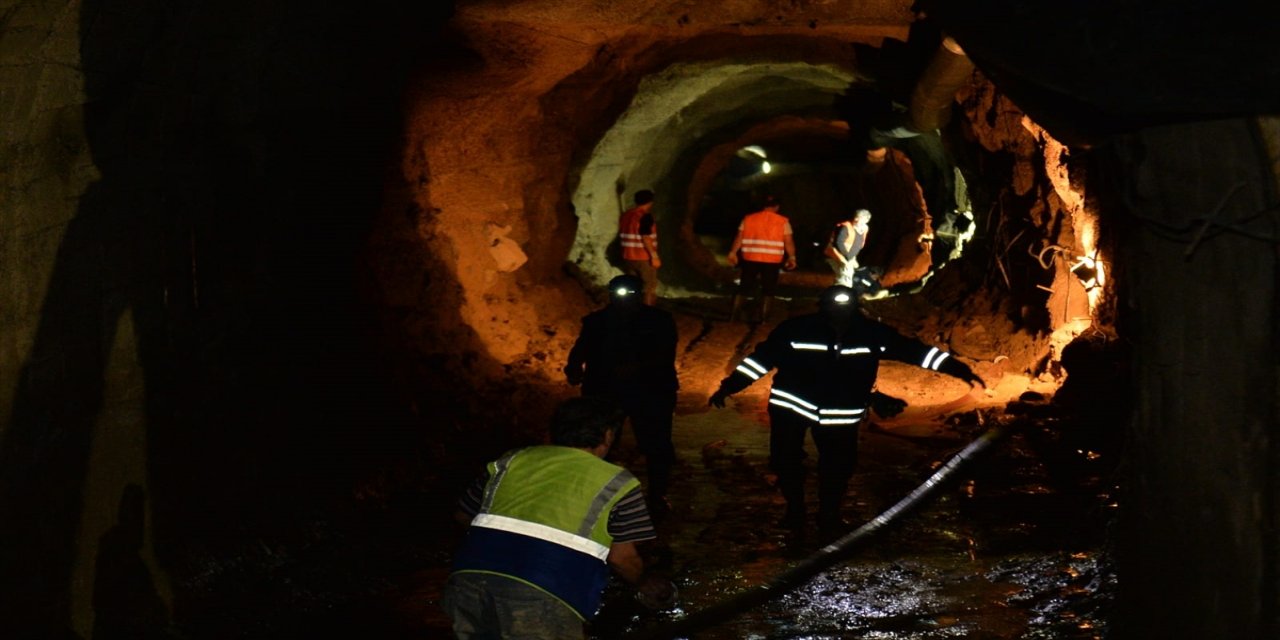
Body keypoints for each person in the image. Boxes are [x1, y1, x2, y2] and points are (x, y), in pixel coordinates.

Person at [708, 285, 984, 532]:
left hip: (838, 414)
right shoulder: (797, 330)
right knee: (786, 461)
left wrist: (957, 369)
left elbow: (914, 351)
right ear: (823, 308)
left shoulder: (871, 333)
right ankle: (796, 511)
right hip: (792, 408)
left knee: (837, 466)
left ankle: (829, 516)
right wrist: (730, 386)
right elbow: (759, 361)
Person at [442, 396, 677, 640]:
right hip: (544, 593)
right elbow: (621, 558)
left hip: (467, 582)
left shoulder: (509, 460)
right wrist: (645, 583)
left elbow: (462, 515)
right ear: (608, 435)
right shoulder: (619, 482)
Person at [565, 274, 679, 514]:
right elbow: (581, 349)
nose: (624, 300)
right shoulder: (597, 322)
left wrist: (636, 368)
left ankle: (658, 494)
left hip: (649, 390)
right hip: (608, 390)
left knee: (655, 444)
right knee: (598, 443)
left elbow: (663, 355)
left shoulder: (659, 322)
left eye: (629, 294)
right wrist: (573, 368)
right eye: (619, 294)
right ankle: (598, 492)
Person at [727, 196, 797, 322]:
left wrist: (733, 252)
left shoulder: (748, 219)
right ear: (777, 207)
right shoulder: (782, 221)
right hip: (772, 260)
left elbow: (739, 237)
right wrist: (791, 257)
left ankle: (734, 316)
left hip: (750, 257)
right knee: (768, 289)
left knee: (744, 286)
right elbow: (789, 241)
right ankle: (764, 319)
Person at [618, 189, 661, 306]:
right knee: (649, 287)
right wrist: (654, 256)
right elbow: (645, 237)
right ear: (650, 202)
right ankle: (646, 315)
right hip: (642, 257)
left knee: (633, 287)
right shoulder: (645, 217)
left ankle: (630, 311)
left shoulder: (626, 215)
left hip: (627, 256)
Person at [824, 209, 872, 287]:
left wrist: (853, 258)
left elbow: (858, 244)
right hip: (836, 254)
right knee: (846, 274)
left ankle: (839, 292)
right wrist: (847, 259)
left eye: (859, 218)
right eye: (856, 217)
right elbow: (838, 243)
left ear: (866, 220)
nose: (856, 220)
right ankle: (843, 293)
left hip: (849, 256)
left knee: (848, 273)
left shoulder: (864, 229)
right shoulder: (845, 227)